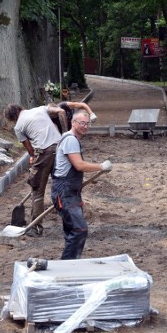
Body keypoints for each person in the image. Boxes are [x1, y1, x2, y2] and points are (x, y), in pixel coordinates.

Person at [50, 109, 113, 260]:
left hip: (70, 192)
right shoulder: (71, 140)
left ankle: (71, 264)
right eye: (81, 123)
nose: (85, 126)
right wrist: (101, 166)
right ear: (73, 123)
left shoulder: (70, 139)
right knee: (79, 229)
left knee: (72, 230)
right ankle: (67, 266)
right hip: (64, 192)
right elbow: (79, 165)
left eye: (87, 123)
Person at [4, 103, 67, 236]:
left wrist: (33, 157)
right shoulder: (40, 109)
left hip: (44, 152)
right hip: (62, 148)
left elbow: (30, 149)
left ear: (12, 118)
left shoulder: (18, 126)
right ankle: (71, 223)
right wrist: (66, 135)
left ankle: (36, 228)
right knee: (62, 187)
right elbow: (61, 111)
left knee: (37, 190)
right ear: (21, 108)